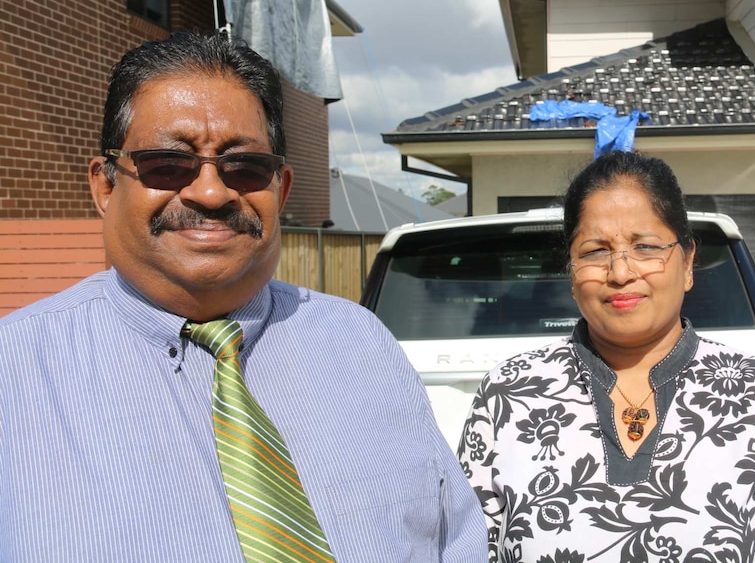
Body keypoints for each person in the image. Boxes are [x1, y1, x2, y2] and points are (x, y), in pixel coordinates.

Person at [0, 32, 486, 562]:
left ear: (279, 188)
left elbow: (453, 539)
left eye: (245, 167)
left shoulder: (360, 343)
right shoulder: (17, 370)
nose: (210, 192)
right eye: (168, 164)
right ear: (106, 186)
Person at [458, 151, 755, 562]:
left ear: (688, 261)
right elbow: (465, 549)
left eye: (645, 246)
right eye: (594, 251)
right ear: (571, 271)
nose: (620, 272)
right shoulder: (509, 394)